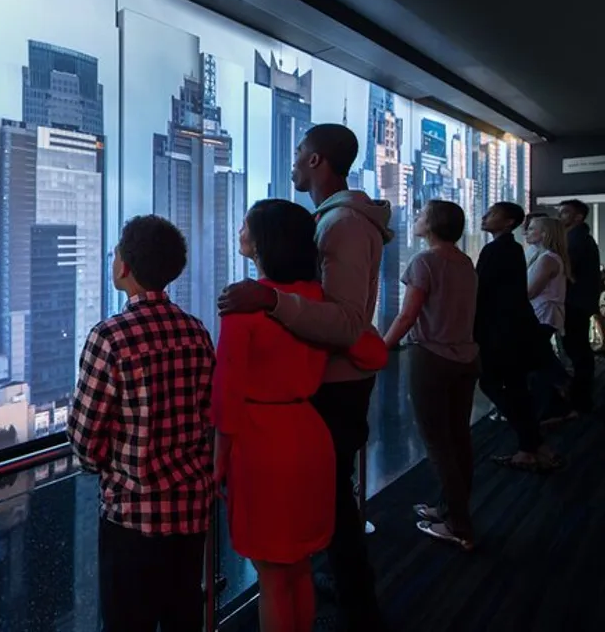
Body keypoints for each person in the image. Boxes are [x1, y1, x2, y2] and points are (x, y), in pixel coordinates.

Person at [219, 123, 392, 632]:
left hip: (324, 399)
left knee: (326, 518)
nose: (293, 162)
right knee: (319, 524)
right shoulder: (335, 222)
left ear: (317, 160)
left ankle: (361, 610)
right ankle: (344, 598)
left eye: (298, 153)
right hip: (316, 403)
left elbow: (345, 323)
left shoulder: (342, 226)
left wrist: (270, 299)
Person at [67, 214, 216, 632]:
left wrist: (105, 461)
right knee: (183, 618)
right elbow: (208, 413)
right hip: (190, 513)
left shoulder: (110, 337)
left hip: (132, 516)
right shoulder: (196, 332)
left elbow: (84, 438)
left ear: (124, 266)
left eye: (116, 250)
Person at [382, 200, 479, 550]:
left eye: (422, 215)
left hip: (433, 359)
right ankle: (450, 508)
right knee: (458, 438)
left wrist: (382, 347)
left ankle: (459, 524)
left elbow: (407, 315)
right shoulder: (464, 261)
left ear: (433, 224)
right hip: (466, 358)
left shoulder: (425, 261)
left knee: (438, 442)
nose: (417, 218)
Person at [475, 202, 563, 473]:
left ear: (509, 221)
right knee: (515, 388)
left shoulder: (497, 250)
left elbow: (482, 292)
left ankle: (532, 442)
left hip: (500, 332)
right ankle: (530, 446)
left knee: (494, 384)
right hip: (514, 329)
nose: (485, 217)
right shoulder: (512, 249)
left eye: (493, 214)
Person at [524, 216, 573, 423]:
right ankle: (556, 405)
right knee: (540, 360)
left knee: (539, 362)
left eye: (533, 228)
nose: (527, 231)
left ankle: (555, 401)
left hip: (542, 316)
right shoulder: (542, 256)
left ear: (545, 234)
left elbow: (531, 291)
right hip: (541, 315)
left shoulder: (548, 259)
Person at [558, 199, 600, 416]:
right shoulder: (580, 238)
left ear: (578, 217)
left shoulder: (576, 241)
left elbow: (566, 272)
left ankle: (580, 401)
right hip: (579, 303)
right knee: (578, 350)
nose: (560, 216)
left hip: (574, 304)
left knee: (578, 351)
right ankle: (580, 398)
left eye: (564, 213)